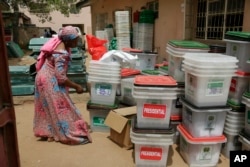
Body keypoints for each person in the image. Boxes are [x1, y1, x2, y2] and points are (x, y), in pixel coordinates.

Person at [33, 26, 92, 145]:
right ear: (67, 40)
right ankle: (67, 133)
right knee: (61, 107)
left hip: (41, 78)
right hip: (49, 81)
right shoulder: (62, 54)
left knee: (47, 106)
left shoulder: (57, 45)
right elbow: (61, 78)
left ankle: (50, 132)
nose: (77, 42)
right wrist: (76, 86)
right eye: (75, 40)